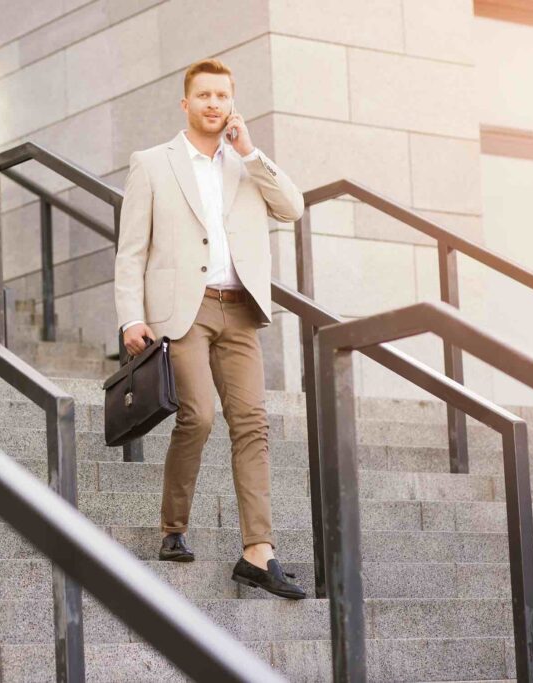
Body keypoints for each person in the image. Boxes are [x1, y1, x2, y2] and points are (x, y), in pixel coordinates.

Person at [113, 57, 306, 599]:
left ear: (232, 102)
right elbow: (131, 251)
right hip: (184, 311)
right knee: (197, 416)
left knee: (252, 424)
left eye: (223, 96)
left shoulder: (246, 162)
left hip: (239, 307)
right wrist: (132, 315)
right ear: (186, 103)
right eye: (204, 96)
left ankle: (257, 552)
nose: (215, 104)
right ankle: (173, 527)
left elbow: (292, 207)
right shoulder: (152, 163)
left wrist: (250, 150)